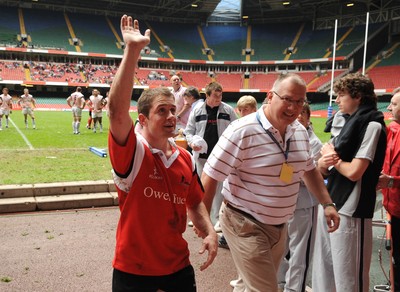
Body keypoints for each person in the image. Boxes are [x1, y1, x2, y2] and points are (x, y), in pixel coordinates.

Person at [107, 15, 217, 292]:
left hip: (178, 267)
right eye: (161, 110)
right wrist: (132, 51)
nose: (171, 116)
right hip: (134, 269)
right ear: (142, 120)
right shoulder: (134, 152)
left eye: (172, 110)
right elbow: (116, 112)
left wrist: (209, 229)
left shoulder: (185, 158)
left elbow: (194, 202)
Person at [200, 72, 340, 291]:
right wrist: (206, 226)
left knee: (251, 285)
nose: (294, 108)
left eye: (299, 101)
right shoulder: (242, 131)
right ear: (270, 96)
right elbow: (210, 175)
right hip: (244, 222)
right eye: (287, 99)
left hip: (279, 226)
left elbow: (309, 169)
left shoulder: (299, 132)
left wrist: (327, 202)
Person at [313, 72, 387, 292]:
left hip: (352, 210)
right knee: (324, 271)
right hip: (331, 203)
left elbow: (355, 172)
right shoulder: (348, 124)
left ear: (358, 96)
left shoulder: (372, 125)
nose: (337, 100)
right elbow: (321, 166)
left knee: (349, 279)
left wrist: (332, 160)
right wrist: (325, 161)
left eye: (341, 95)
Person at [277, 102, 322, 292]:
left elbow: (310, 176)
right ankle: (280, 283)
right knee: (279, 248)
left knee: (300, 251)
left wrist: (287, 174)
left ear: (308, 117)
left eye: (304, 113)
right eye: (297, 112)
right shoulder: (284, 136)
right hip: (283, 203)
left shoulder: (315, 143)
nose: (299, 116)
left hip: (304, 203)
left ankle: (295, 289)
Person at [184, 81, 237, 231]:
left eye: (220, 96)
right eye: (215, 96)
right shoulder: (197, 110)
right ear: (207, 95)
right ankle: (199, 218)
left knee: (220, 190)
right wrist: (192, 141)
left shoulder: (228, 110)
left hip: (221, 156)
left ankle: (217, 220)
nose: (218, 99)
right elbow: (189, 131)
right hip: (202, 156)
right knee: (200, 188)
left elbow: (236, 129)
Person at [377, 87, 400, 292]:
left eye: (394, 104)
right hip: (392, 205)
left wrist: (391, 181)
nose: (389, 107)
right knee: (395, 257)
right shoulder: (393, 129)